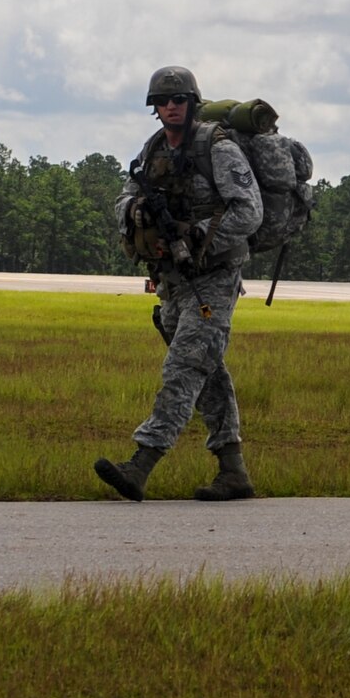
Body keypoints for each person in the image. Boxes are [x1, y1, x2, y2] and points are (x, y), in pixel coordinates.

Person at [95, 65, 263, 503]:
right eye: (163, 102)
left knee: (184, 368)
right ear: (155, 108)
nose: (171, 108)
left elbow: (249, 212)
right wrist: (138, 213)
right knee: (209, 375)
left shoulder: (217, 148)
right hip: (172, 282)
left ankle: (141, 463)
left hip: (213, 278)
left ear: (193, 102)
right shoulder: (153, 149)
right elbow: (123, 197)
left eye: (179, 100)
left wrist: (195, 233)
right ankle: (234, 472)